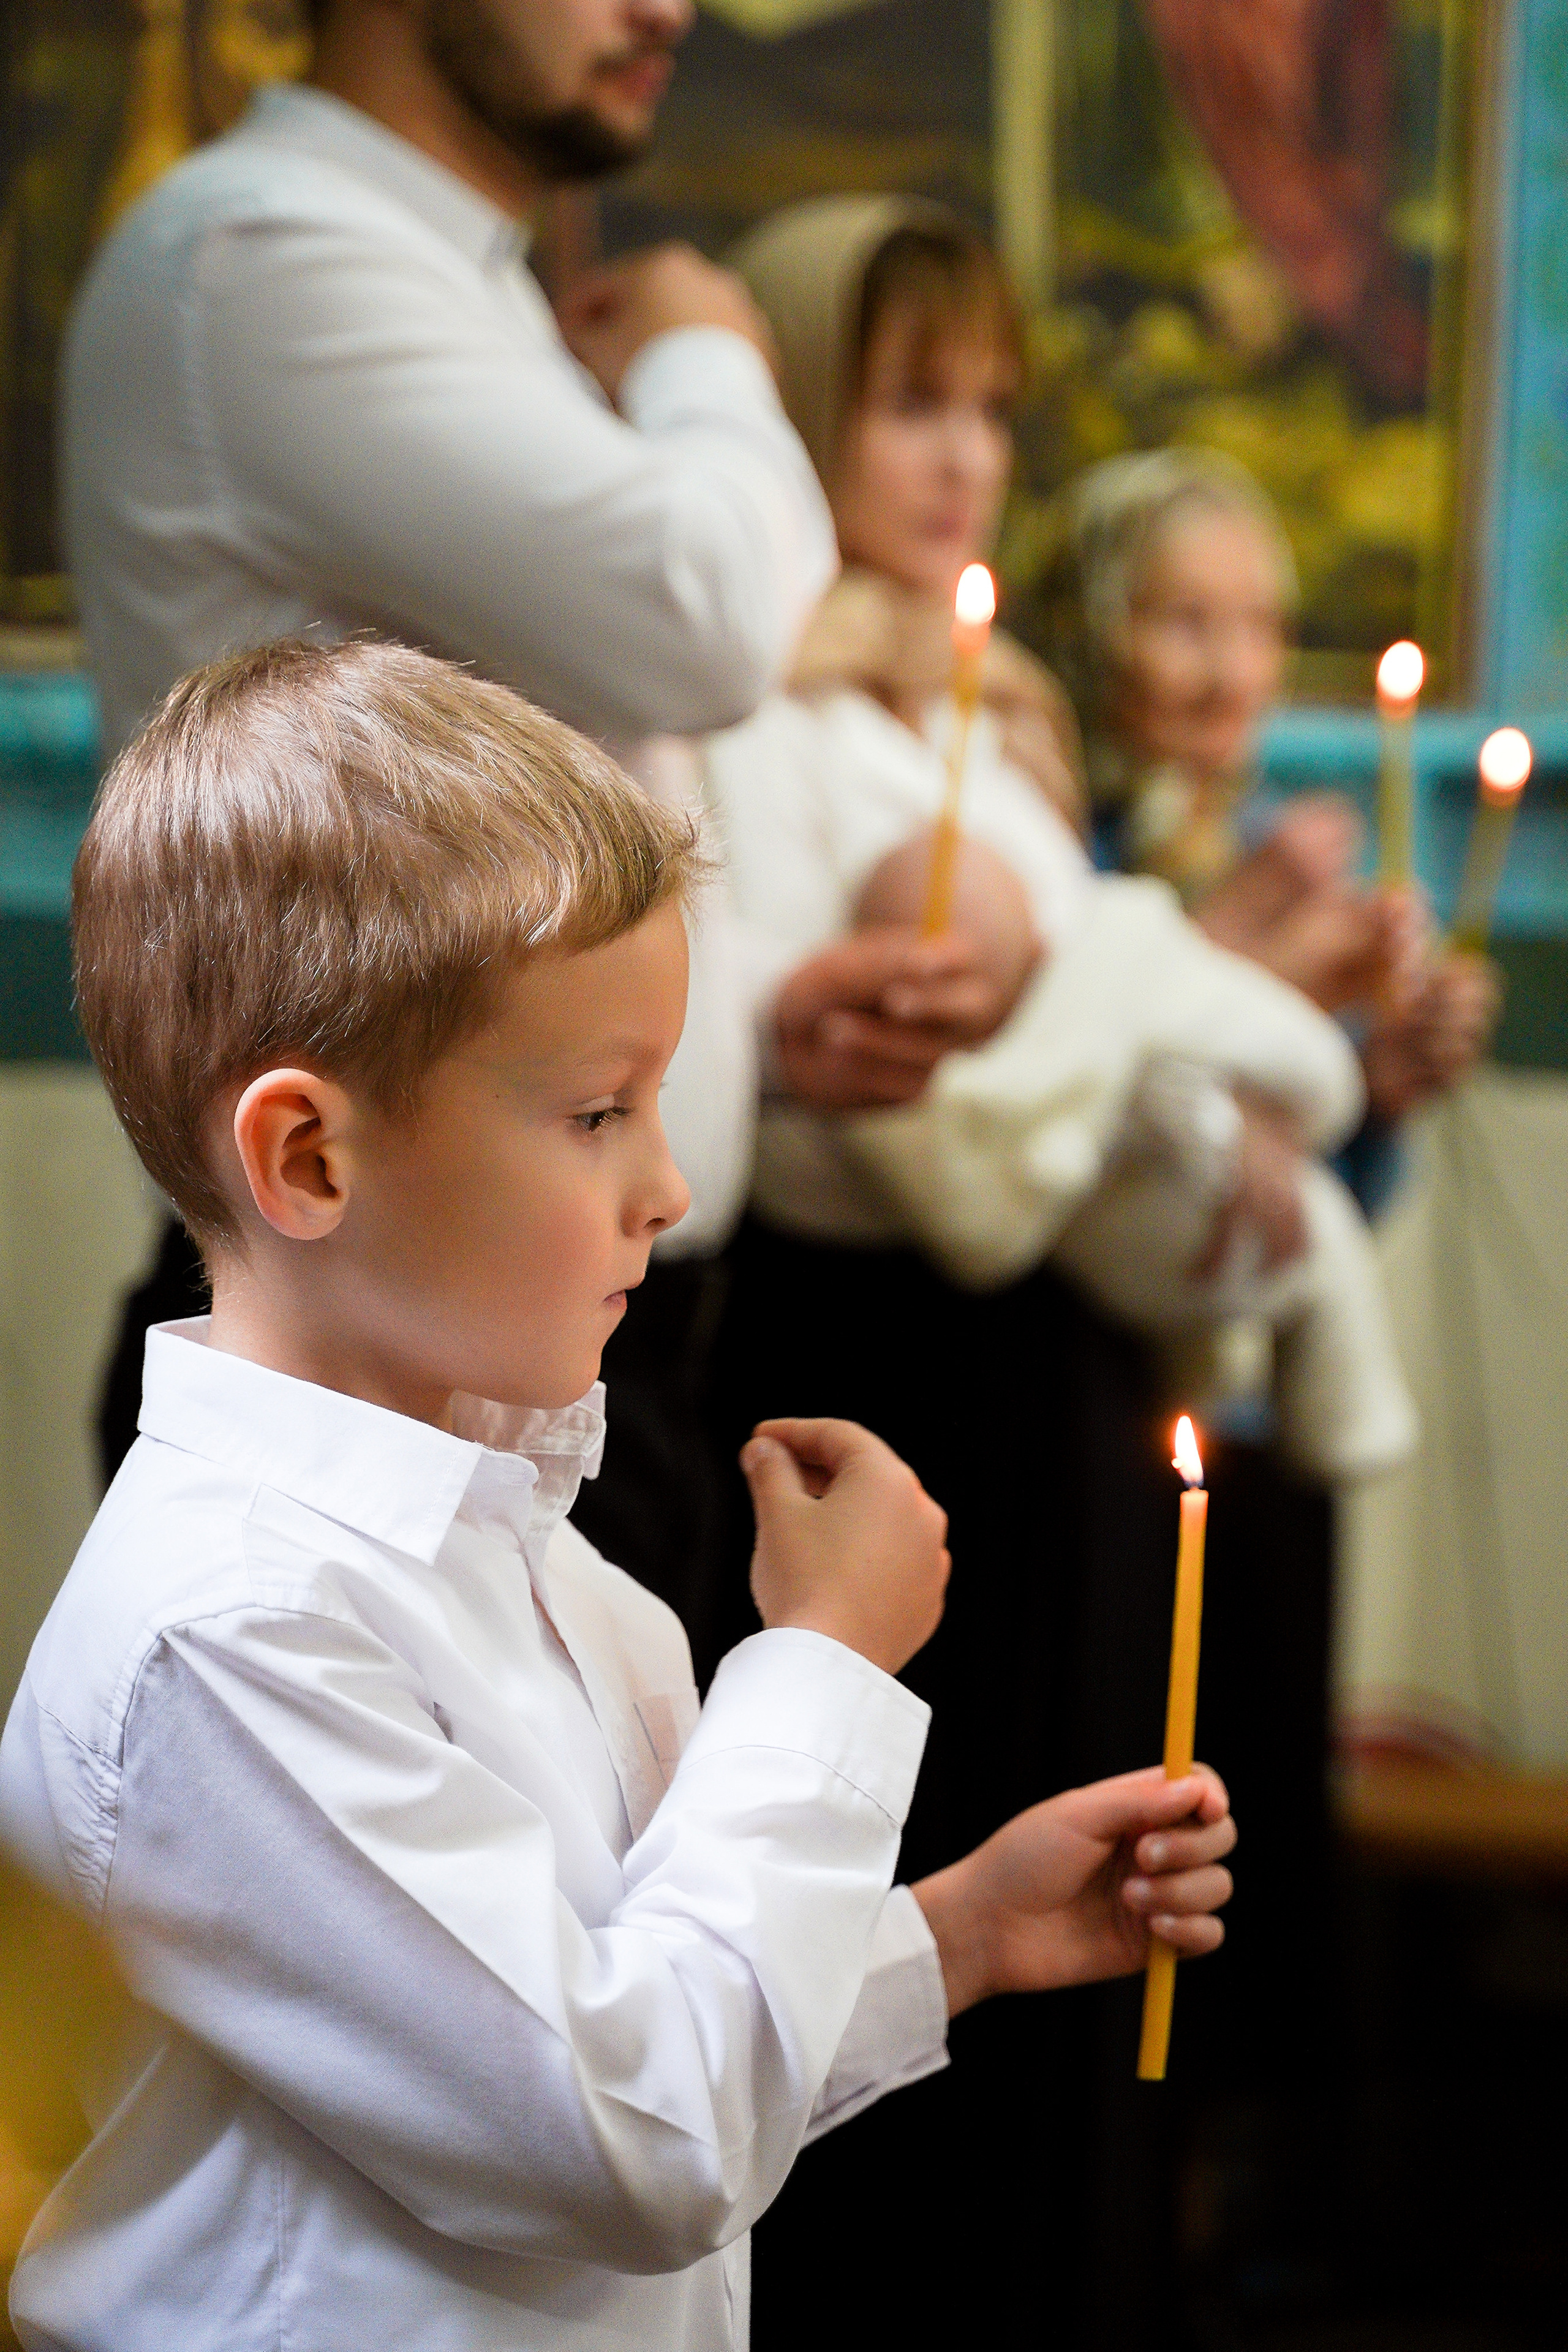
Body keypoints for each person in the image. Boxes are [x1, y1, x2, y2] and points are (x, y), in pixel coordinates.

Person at [0, 639, 1238, 2348]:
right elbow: (629, 2138)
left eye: (660, 1101)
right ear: (308, 1159)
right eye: (596, 1111)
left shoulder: (553, 1572)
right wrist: (822, 1667)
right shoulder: (232, 1635)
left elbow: (642, 2020)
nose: (664, 1184)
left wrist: (961, 1936)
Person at [64, 0, 1001, 1658]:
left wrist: (764, 1011)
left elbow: (544, 801)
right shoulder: (267, 256)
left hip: (537, 1318)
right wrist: (713, 351)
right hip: (391, 1314)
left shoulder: (464, 283)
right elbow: (706, 622)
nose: (668, 10)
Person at [696, 194, 1341, 2348]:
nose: (965, 455)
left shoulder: (982, 708)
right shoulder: (748, 713)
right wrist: (1193, 986)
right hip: (894, 1367)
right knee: (923, 1938)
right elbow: (931, 1113)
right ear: (788, 413)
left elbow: (1085, 1049)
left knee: (1081, 1930)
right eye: (907, 403)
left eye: (991, 407)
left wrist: (1193, 1059)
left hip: (1051, 1377)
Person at [844, 828, 1417, 1483]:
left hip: (1188, 1247)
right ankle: (1352, 1426)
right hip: (1058, 1378)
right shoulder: (951, 1101)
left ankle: (1322, 1416)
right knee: (1326, 1262)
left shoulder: (1098, 983)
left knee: (1321, 1258)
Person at [1036, 448, 1498, 1149]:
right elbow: (1042, 1099)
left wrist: (1374, 1084)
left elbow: (1320, 1199)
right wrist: (1247, 934)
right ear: (1090, 629)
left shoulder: (1261, 835)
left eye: (1262, 626)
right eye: (1186, 622)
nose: (1233, 675)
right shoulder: (1044, 828)